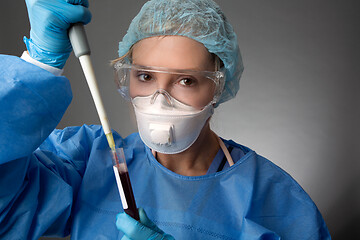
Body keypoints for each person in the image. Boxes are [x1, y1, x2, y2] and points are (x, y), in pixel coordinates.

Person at [0, 0, 331, 239]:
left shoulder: (273, 198)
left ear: (218, 86)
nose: (160, 99)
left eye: (186, 81)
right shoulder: (87, 161)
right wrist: (41, 61)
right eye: (144, 76)